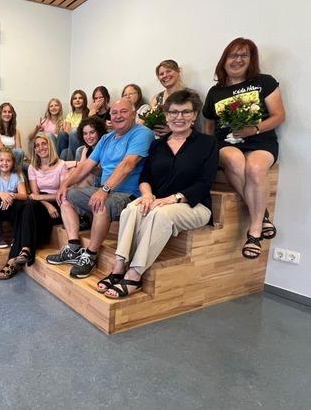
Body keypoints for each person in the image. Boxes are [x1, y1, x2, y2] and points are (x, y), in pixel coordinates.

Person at [99, 90, 217, 298]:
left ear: (194, 115)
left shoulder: (207, 143)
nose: (179, 117)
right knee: (131, 209)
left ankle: (135, 274)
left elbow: (204, 183)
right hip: (158, 201)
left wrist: (171, 199)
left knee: (160, 215)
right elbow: (145, 177)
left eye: (185, 112)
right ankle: (119, 266)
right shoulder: (157, 145)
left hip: (193, 205)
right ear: (166, 115)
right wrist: (146, 195)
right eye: (173, 112)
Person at [46, 98, 154, 279]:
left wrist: (104, 190)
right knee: (65, 197)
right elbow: (86, 165)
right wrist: (64, 185)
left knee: (101, 204)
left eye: (123, 111)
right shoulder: (106, 138)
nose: (118, 116)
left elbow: (128, 164)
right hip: (106, 190)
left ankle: (91, 255)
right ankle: (73, 246)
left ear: (133, 114)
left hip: (129, 195)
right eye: (114, 112)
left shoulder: (142, 133)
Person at [203, 37, 285, 259]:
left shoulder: (265, 82)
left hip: (261, 141)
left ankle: (254, 231)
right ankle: (261, 214)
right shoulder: (215, 91)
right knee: (235, 161)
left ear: (251, 60)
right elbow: (209, 122)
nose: (238, 60)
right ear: (224, 60)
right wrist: (210, 147)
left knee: (256, 169)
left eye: (244, 55)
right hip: (226, 142)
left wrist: (254, 129)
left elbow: (279, 115)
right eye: (233, 55)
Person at [0, 133, 67, 280]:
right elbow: (34, 194)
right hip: (41, 205)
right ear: (34, 150)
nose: (41, 148)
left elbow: (63, 193)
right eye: (37, 146)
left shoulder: (61, 165)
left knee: (28, 208)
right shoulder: (33, 168)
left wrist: (45, 201)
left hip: (58, 204)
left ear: (50, 145)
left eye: (44, 144)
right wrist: (45, 204)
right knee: (28, 205)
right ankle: (26, 249)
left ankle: (13, 260)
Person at [0, 148, 28, 248]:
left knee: (20, 204)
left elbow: (24, 195)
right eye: (1, 160)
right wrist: (1, 194)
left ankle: (16, 237)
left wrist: (11, 196)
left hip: (12, 209)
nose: (4, 163)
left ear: (13, 163)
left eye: (8, 160)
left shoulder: (17, 175)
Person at [149, 60, 203, 136]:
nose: (165, 75)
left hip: (186, 138)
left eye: (169, 71)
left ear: (178, 71)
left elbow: (198, 123)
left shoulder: (191, 95)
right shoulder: (157, 98)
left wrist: (173, 130)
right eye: (161, 74)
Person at [73, 116, 108, 188]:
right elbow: (79, 169)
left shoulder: (106, 146)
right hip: (88, 179)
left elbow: (101, 172)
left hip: (104, 182)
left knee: (84, 178)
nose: (88, 137)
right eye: (85, 133)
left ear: (99, 132)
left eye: (92, 132)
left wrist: (86, 167)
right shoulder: (82, 149)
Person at [0, 102, 25, 167]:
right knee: (19, 153)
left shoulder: (16, 131)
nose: (7, 114)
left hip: (14, 158)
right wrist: (12, 151)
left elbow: (19, 149)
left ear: (12, 114)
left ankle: (16, 171)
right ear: (0, 114)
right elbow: (1, 149)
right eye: (4, 112)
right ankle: (16, 171)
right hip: (1, 157)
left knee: (30, 166)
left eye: (9, 112)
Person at [62, 90, 90, 160]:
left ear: (84, 100)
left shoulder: (88, 113)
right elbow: (66, 131)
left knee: (74, 131)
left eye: (80, 98)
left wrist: (74, 130)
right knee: (64, 151)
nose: (77, 100)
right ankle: (57, 163)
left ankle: (73, 162)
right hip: (71, 141)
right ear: (72, 101)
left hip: (82, 140)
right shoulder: (70, 115)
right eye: (75, 98)